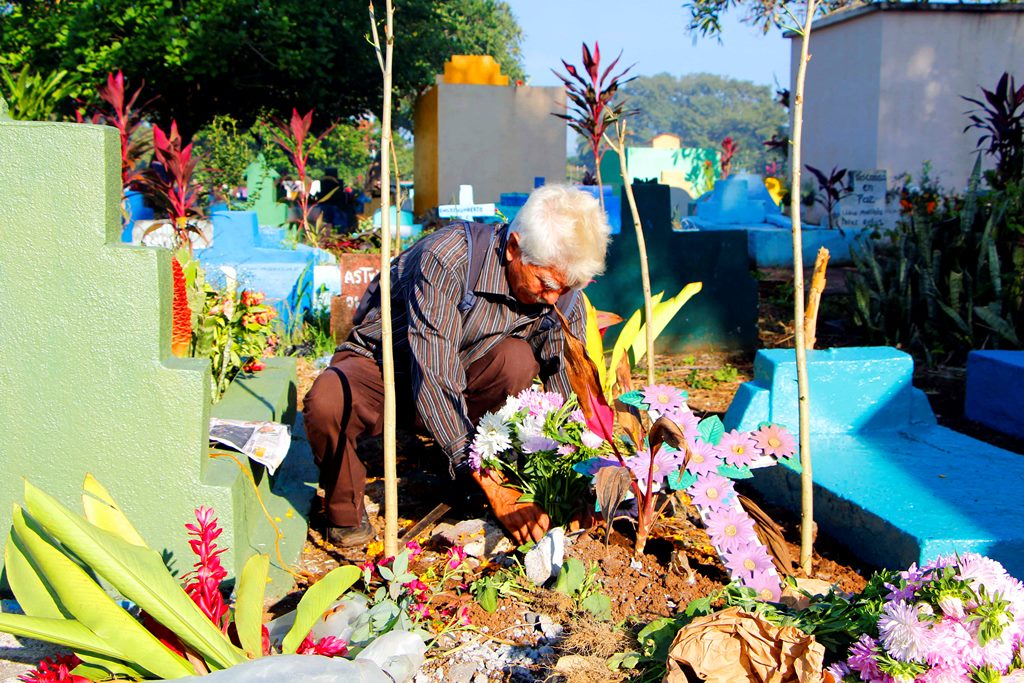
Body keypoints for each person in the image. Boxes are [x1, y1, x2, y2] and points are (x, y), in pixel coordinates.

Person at [303, 185, 610, 547]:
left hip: (468, 380)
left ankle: (464, 484)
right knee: (327, 401)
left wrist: (573, 485)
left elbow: (566, 396)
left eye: (567, 286)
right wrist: (492, 483)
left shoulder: (562, 296)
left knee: (516, 361)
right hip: (388, 370)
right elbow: (433, 372)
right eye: (545, 284)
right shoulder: (449, 258)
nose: (554, 298)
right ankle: (345, 510)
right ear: (514, 248)